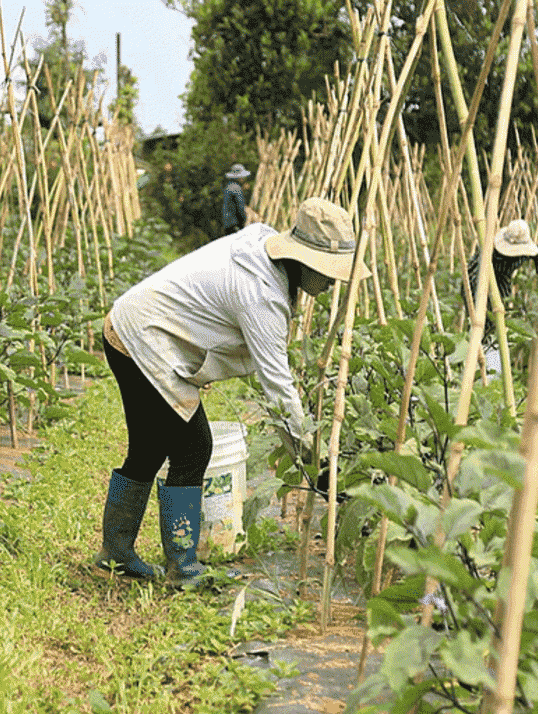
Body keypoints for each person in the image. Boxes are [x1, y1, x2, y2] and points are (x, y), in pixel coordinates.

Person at [95, 197, 367, 588]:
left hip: (129, 326)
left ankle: (116, 554)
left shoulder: (263, 249)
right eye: (327, 273)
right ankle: (181, 568)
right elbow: (277, 387)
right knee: (193, 448)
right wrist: (315, 459)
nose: (332, 282)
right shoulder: (262, 295)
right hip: (142, 340)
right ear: (304, 260)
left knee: (150, 447)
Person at [464, 219, 538, 372]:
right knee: (482, 328)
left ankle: (487, 362)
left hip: (501, 288)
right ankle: (481, 364)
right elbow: (471, 282)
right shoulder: (488, 256)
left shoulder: (522, 255)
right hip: (482, 285)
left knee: (496, 330)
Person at [221, 163, 251, 235]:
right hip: (235, 225)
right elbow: (240, 207)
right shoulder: (236, 189)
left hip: (227, 224)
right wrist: (244, 222)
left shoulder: (228, 187)